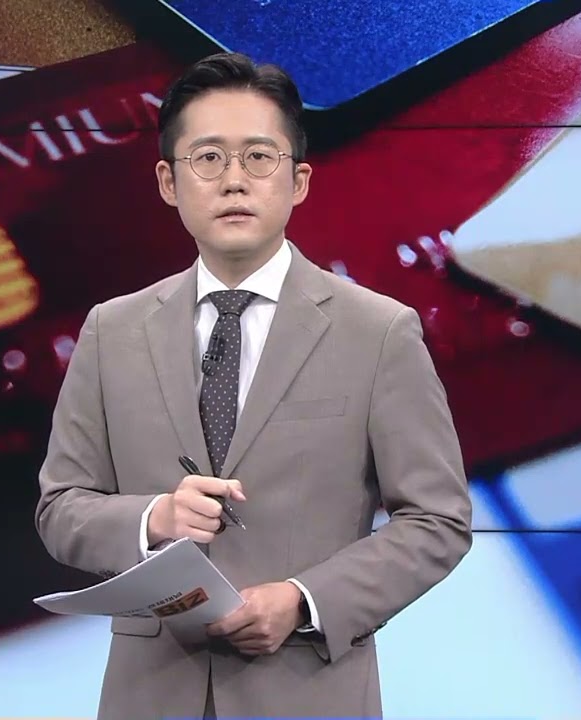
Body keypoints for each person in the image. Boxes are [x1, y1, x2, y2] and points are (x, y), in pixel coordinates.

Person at [34, 52, 473, 719]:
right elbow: (61, 508)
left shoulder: (378, 330)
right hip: (151, 694)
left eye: (259, 158)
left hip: (308, 691)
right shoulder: (111, 330)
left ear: (299, 180)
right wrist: (153, 520)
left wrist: (304, 599)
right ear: (168, 181)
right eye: (208, 158)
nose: (234, 180)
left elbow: (437, 519)